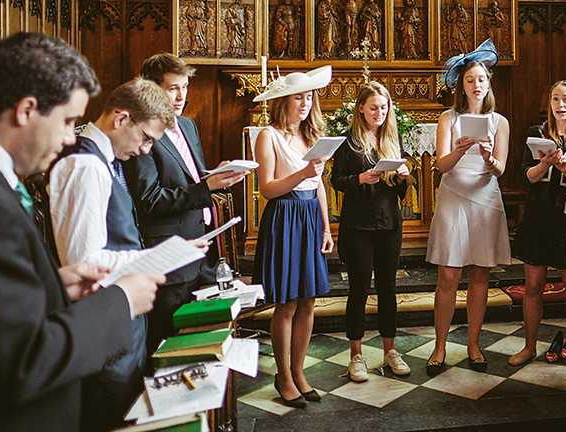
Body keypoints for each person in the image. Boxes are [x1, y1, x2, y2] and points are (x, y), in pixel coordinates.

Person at [0, 32, 164, 431]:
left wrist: (51, 287)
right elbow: (20, 361)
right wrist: (120, 302)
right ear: (26, 109)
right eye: (68, 121)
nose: (69, 137)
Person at [49, 77, 177, 430]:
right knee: (110, 415)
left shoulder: (105, 162)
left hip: (119, 315)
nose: (146, 150)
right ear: (122, 118)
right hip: (103, 318)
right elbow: (83, 263)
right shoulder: (85, 165)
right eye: (146, 138)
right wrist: (158, 259)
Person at [123, 53, 249, 353]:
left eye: (184, 87)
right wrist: (206, 187)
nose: (181, 96)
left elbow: (189, 177)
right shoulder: (142, 132)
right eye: (172, 88)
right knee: (168, 344)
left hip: (201, 247)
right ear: (151, 90)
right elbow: (149, 200)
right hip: (169, 253)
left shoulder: (188, 126)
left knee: (201, 342)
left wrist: (217, 174)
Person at [425, 39, 510, 375]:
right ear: (461, 84)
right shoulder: (449, 118)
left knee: (480, 273)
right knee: (448, 274)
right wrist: (461, 150)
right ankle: (440, 345)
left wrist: (489, 157)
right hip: (454, 195)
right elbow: (440, 166)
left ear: (488, 84)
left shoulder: (499, 121)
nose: (477, 85)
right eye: (471, 79)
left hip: (486, 197)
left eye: (482, 80)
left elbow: (501, 169)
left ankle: (474, 344)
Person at [252, 66, 335, 408]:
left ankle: (299, 372)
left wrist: (327, 227)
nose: (305, 102)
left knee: (309, 299)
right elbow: (267, 189)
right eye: (298, 96)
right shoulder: (267, 135)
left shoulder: (312, 136)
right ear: (283, 101)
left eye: (309, 96)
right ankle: (283, 375)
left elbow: (318, 187)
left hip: (309, 217)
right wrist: (302, 171)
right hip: (284, 216)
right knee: (286, 302)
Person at [508, 80, 566, 375]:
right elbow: (527, 177)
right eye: (555, 99)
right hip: (538, 216)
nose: (560, 105)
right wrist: (545, 165)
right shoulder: (536, 135)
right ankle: (529, 346)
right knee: (533, 285)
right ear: (549, 103)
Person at [330, 82, 412, 382]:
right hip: (358, 224)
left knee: (389, 289)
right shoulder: (347, 141)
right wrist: (360, 179)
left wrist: (403, 177)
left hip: (389, 222)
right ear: (361, 108)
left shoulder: (391, 137)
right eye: (374, 107)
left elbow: (401, 190)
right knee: (359, 289)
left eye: (384, 107)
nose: (379, 112)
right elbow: (336, 180)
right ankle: (356, 355)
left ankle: (390, 351)